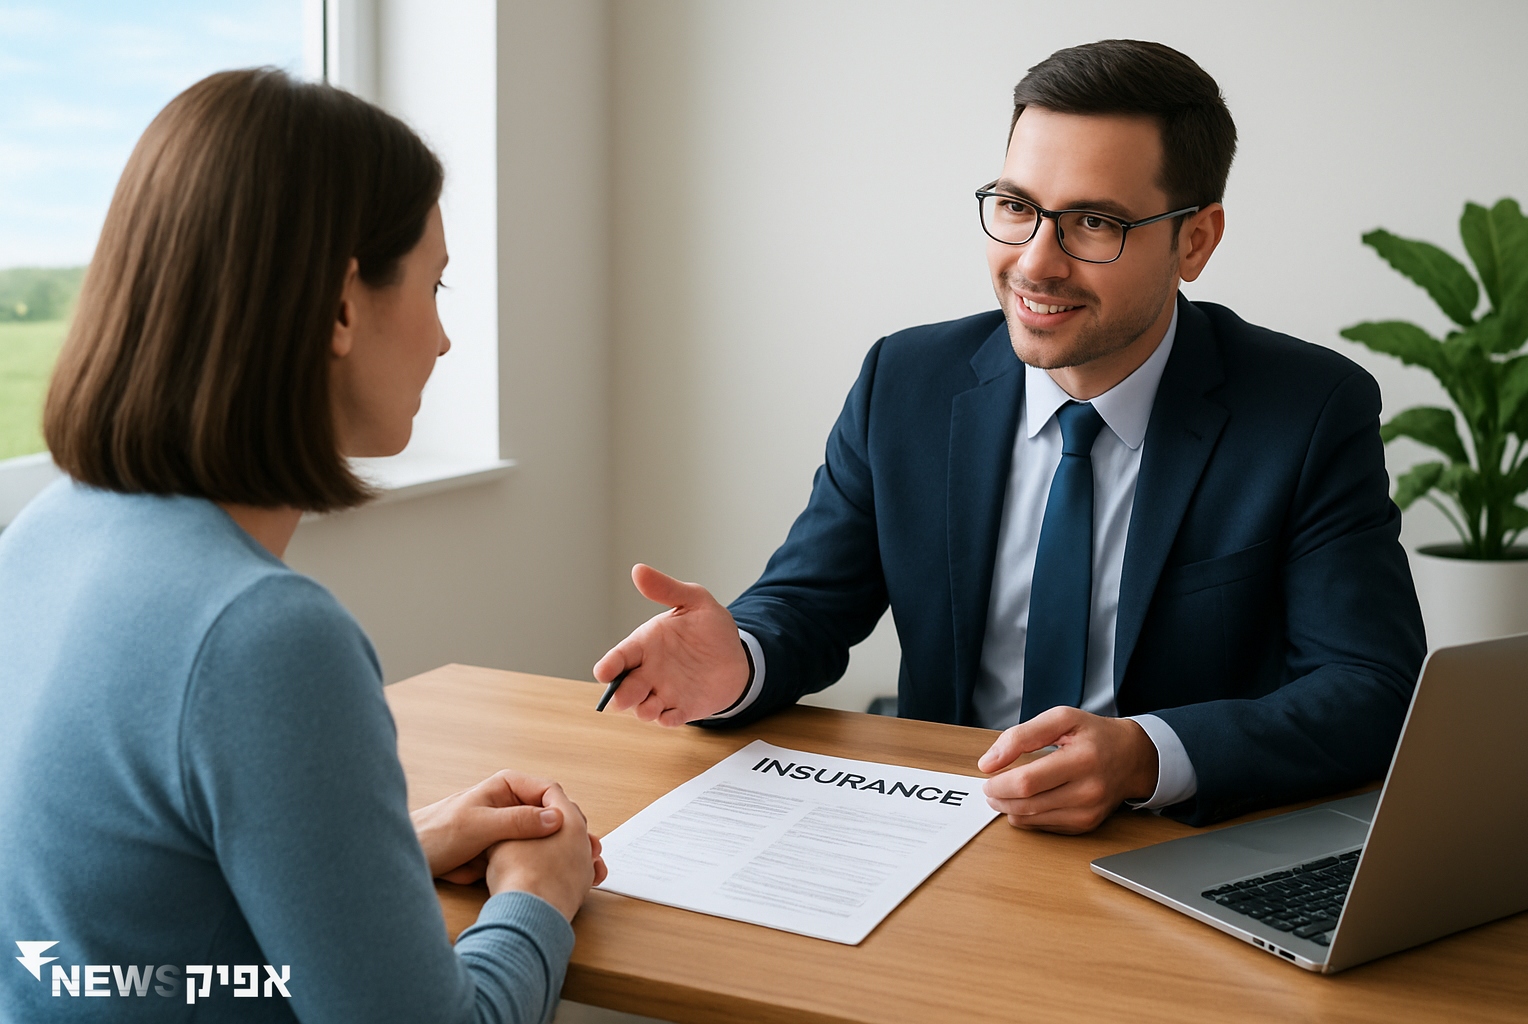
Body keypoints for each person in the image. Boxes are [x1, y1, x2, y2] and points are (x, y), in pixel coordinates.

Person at [593, 40, 1426, 833]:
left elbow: (1371, 688)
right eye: (1017, 208)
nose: (1035, 263)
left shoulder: (1307, 411)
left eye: (1093, 222)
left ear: (1195, 240)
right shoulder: (905, 383)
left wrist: (1147, 757)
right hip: (943, 826)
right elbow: (809, 603)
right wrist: (739, 660)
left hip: (1165, 845)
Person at [0, 69, 602, 1022]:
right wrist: (540, 893)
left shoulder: (46, 532)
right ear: (339, 308)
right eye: (434, 285)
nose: (445, 341)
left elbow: (144, 899)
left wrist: (392, 848)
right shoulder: (261, 637)